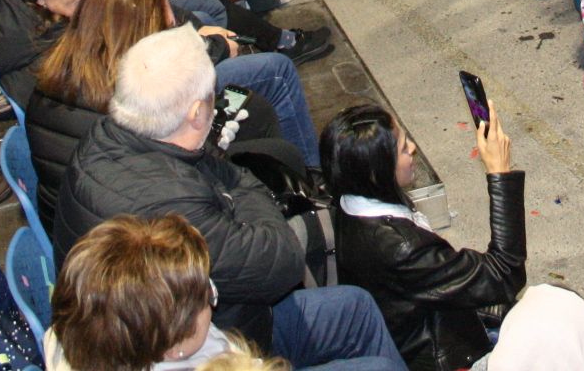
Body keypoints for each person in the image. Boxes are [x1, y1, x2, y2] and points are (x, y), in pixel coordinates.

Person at [53, 28, 409, 370]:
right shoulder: (174, 205)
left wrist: (213, 162)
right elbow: (281, 261)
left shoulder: (102, 139)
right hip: (222, 344)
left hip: (181, 332)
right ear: (195, 115)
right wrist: (234, 183)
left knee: (356, 308)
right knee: (375, 363)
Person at [28, 0, 318, 228]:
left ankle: (305, 187)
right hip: (134, 234)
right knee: (278, 147)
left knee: (256, 112)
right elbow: (173, 176)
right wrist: (216, 151)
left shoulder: (70, 68)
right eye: (168, 29)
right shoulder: (125, 101)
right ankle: (310, 198)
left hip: (105, 209)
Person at [46, 214, 399, 371]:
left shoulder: (91, 316)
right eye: (206, 300)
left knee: (353, 306)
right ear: (174, 346)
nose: (214, 301)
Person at [323, 103, 525, 371]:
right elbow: (505, 273)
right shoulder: (400, 246)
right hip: (447, 354)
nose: (413, 149)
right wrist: (500, 174)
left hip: (421, 324)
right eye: (404, 148)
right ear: (377, 171)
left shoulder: (348, 200)